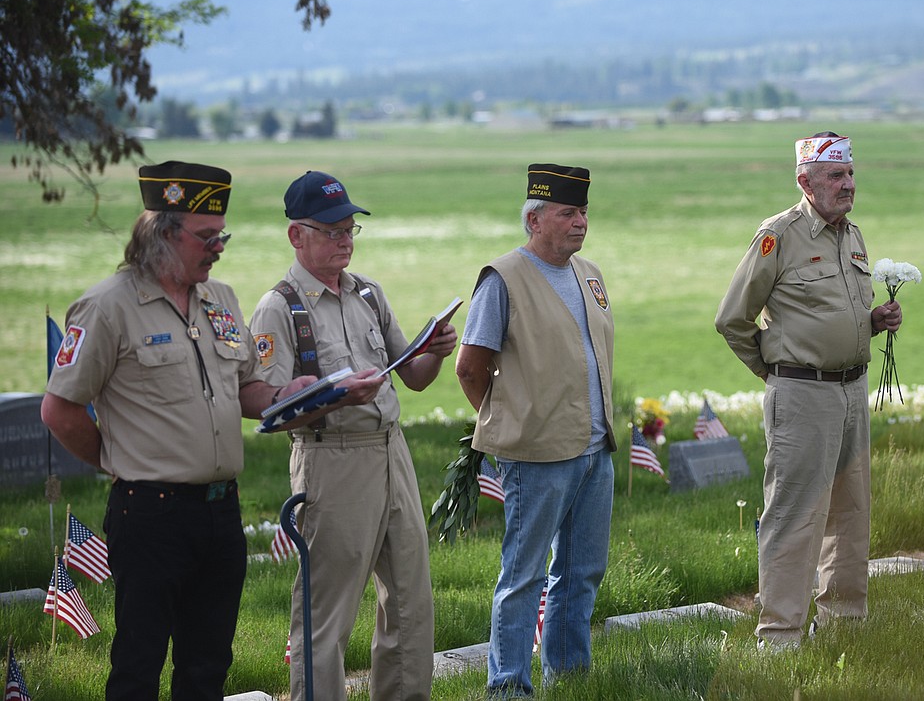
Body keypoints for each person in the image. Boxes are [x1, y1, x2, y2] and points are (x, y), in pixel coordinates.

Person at [40, 161, 383, 701]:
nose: (218, 245)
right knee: (138, 664)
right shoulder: (109, 306)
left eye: (221, 233)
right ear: (161, 234)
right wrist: (117, 462)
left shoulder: (220, 299)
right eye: (206, 236)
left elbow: (247, 388)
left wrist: (289, 395)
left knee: (207, 667)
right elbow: (59, 411)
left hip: (221, 512)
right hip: (149, 513)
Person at [249, 170, 456, 701]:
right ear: (298, 235)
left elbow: (411, 378)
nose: (345, 239)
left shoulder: (368, 292)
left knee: (410, 602)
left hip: (392, 449)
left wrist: (434, 348)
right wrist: (337, 397)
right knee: (328, 611)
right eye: (332, 230)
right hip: (331, 459)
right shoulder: (280, 307)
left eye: (350, 229)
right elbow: (269, 413)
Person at [715, 132, 902, 649]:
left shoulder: (854, 236)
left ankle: (844, 623)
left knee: (850, 512)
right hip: (801, 396)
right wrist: (777, 371)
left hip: (851, 391)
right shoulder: (779, 236)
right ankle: (781, 635)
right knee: (795, 517)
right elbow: (732, 319)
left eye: (850, 175)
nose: (848, 186)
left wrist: (873, 321)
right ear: (805, 182)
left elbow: (832, 316)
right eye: (835, 177)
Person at [455, 163, 616, 697]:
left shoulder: (589, 273)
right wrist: (508, 426)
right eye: (567, 212)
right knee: (522, 578)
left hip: (595, 450)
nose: (580, 222)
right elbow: (470, 368)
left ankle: (569, 678)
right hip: (536, 457)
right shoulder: (503, 278)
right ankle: (508, 687)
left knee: (581, 572)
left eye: (583, 211)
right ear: (535, 219)